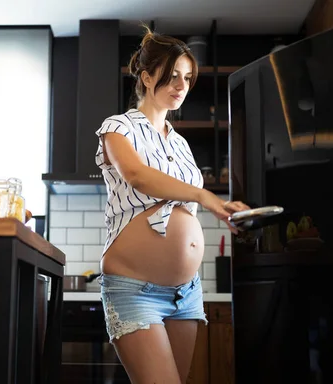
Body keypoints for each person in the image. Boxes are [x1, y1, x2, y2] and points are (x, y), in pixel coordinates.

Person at [94, 25, 250, 384]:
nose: (182, 85)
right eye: (172, 76)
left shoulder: (180, 144)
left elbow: (185, 213)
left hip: (187, 291)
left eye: (187, 77)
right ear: (147, 77)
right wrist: (206, 196)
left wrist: (222, 211)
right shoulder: (117, 128)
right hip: (135, 288)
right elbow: (136, 175)